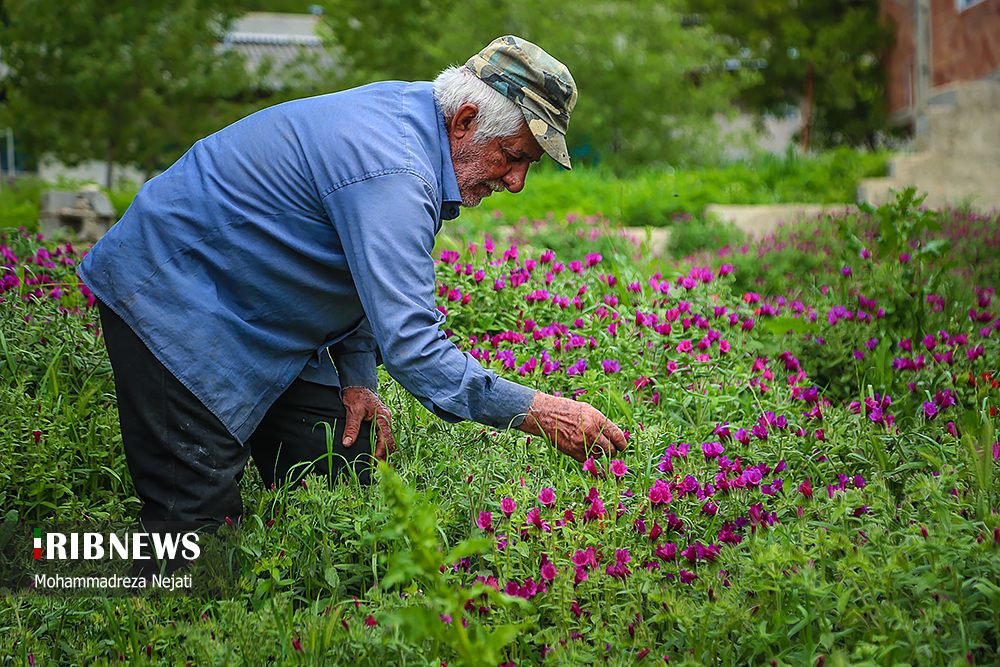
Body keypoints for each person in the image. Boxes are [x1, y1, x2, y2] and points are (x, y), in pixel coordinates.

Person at [78, 36, 627, 541]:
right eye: (512, 156)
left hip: (259, 305)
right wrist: (536, 411)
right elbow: (414, 349)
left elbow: (355, 268)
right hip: (178, 292)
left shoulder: (420, 121)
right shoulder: (396, 171)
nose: (516, 181)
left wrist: (359, 377)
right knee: (198, 530)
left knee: (339, 453)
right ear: (465, 120)